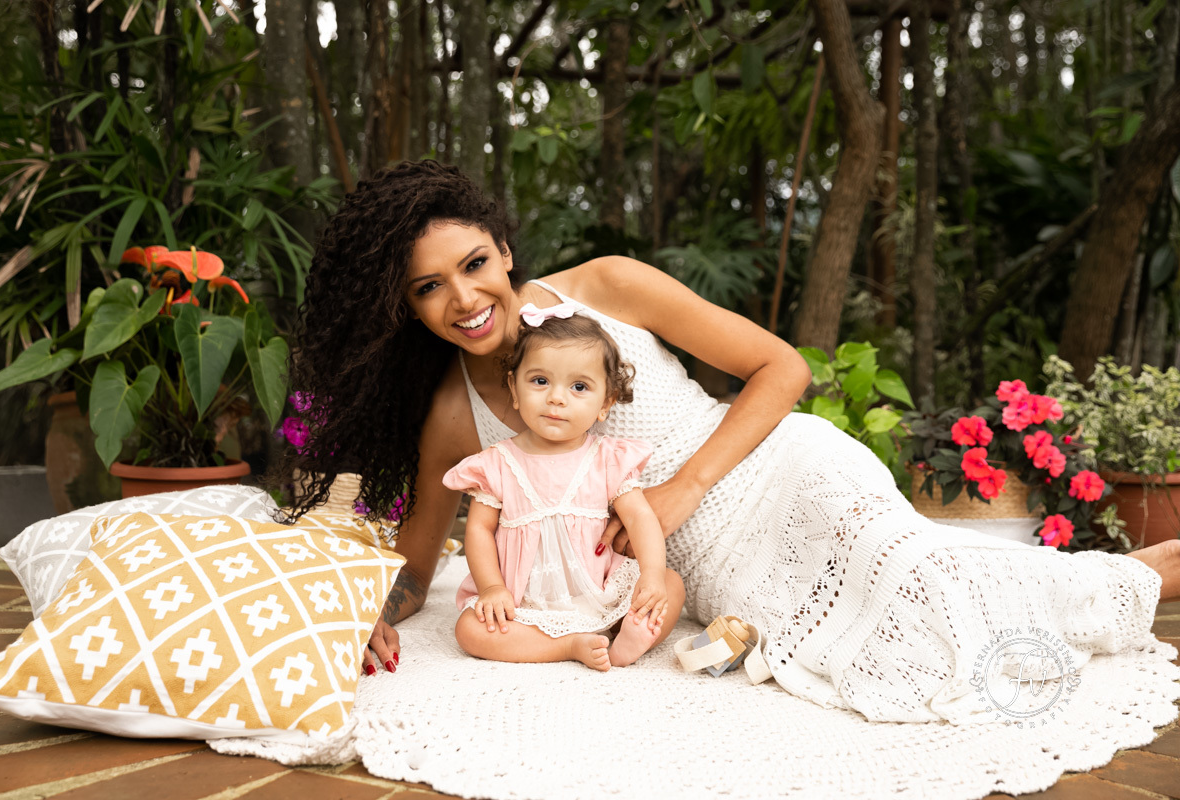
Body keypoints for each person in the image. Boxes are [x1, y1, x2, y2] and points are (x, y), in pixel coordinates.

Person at [280, 159, 1180, 720]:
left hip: (770, 467)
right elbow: (417, 565)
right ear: (406, 306)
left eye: (474, 264)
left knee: (916, 571)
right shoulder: (452, 413)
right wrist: (360, 619)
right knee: (890, 636)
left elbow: (783, 368)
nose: (465, 298)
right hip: (703, 568)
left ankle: (1153, 571)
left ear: (505, 250)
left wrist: (684, 488)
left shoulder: (606, 285)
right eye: (429, 287)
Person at [444, 309, 685, 671]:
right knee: (470, 629)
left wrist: (651, 574)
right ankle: (569, 645)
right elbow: (479, 529)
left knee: (671, 583)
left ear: (606, 403)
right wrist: (492, 588)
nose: (557, 398)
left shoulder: (608, 458)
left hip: (601, 590)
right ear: (514, 388)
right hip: (524, 601)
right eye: (540, 381)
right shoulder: (496, 463)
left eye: (579, 387)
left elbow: (639, 516)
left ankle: (626, 635)